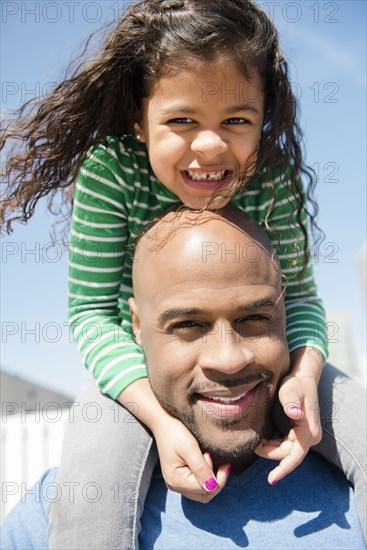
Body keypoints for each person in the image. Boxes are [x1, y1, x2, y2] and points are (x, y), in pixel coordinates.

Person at [0, 0, 365, 547]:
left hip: (284, 357)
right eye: (181, 120)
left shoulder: (272, 176)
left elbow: (304, 299)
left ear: (264, 117)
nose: (211, 145)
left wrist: (305, 376)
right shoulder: (113, 171)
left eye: (237, 120)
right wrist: (160, 420)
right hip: (136, 372)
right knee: (88, 490)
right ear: (139, 122)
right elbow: (92, 313)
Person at [1, 205, 365, 549]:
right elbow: (88, 312)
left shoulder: (354, 495)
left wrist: (306, 370)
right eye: (188, 324)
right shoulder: (57, 515)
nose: (229, 358)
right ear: (137, 327)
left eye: (255, 318)